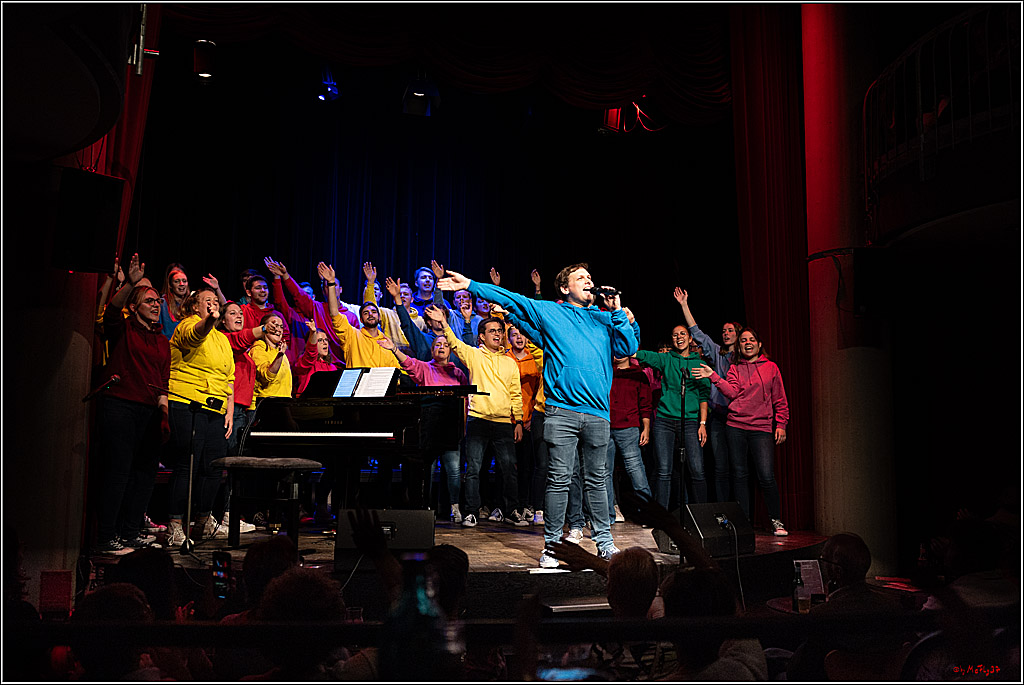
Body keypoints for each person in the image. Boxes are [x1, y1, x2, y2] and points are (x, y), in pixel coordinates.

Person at [438, 262, 638, 567]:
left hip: (598, 413)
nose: (588, 281)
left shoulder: (604, 319)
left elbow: (628, 346)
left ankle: (604, 543)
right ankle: (553, 547)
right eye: (580, 277)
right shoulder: (551, 311)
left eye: (590, 277)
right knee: (558, 479)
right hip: (562, 411)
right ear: (564, 287)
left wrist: (617, 311)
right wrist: (471, 285)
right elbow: (511, 298)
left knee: (598, 480)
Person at [93, 254, 171, 554]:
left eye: (157, 302)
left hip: (150, 412)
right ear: (135, 306)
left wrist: (163, 415)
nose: (156, 305)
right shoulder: (123, 327)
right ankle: (106, 537)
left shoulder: (162, 340)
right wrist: (132, 284)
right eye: (149, 301)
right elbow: (110, 311)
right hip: (121, 406)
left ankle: (129, 533)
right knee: (119, 473)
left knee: (144, 476)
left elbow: (163, 380)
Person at [426, 305, 527, 526]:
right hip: (478, 419)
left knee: (509, 469)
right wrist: (443, 323)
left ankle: (512, 510)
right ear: (482, 336)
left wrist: (518, 420)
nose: (498, 335)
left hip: (502, 422)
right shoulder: (474, 355)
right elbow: (454, 343)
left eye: (500, 331)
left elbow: (515, 394)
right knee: (473, 469)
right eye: (492, 331)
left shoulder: (510, 362)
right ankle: (471, 510)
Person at [693, 327, 790, 535]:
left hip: (761, 427)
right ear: (739, 345)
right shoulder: (735, 368)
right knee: (739, 474)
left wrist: (781, 424)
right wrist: (713, 377)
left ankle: (776, 520)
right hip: (736, 425)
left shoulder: (771, 367)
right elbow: (732, 393)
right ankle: (743, 521)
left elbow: (779, 398)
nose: (747, 343)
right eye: (744, 340)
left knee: (765, 475)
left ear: (759, 344)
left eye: (752, 339)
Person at [166, 286, 234, 546]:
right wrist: (210, 319)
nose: (214, 304)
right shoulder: (188, 325)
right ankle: (174, 523)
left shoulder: (223, 339)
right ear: (195, 306)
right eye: (208, 301)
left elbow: (229, 378)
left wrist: (228, 412)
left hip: (216, 409)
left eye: (216, 300)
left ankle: (203, 521)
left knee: (213, 467)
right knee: (187, 465)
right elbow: (196, 336)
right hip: (187, 403)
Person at [378, 327, 467, 515]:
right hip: (429, 429)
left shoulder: (458, 373)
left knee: (453, 469)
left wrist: (463, 426)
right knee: (426, 469)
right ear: (432, 349)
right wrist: (394, 349)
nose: (441, 347)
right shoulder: (425, 368)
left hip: (451, 428)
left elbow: (465, 401)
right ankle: (423, 507)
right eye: (437, 345)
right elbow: (409, 363)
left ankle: (454, 507)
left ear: (450, 350)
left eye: (445, 345)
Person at [674, 287, 742, 503]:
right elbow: (697, 333)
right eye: (723, 331)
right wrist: (684, 305)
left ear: (739, 335)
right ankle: (721, 511)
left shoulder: (744, 361)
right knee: (720, 466)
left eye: (730, 331)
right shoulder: (717, 354)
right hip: (719, 417)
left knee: (739, 468)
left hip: (741, 418)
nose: (726, 334)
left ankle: (742, 514)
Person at [635, 320, 711, 509]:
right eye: (675, 335)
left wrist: (702, 423)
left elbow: (703, 396)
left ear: (690, 338)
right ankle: (662, 516)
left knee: (697, 470)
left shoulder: (699, 364)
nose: (679, 337)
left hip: (691, 421)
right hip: (664, 420)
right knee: (663, 470)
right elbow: (641, 355)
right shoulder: (666, 358)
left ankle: (702, 514)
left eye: (683, 334)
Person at [265, 256, 359, 368]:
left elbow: (355, 345)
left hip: (344, 366)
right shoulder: (317, 308)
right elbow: (298, 295)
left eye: (334, 285)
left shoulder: (351, 317)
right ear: (323, 291)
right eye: (326, 286)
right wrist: (285, 276)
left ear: (341, 289)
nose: (330, 288)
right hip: (319, 365)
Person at [604, 353, 654, 522]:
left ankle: (647, 513)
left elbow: (645, 404)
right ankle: (609, 515)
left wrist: (646, 428)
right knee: (605, 473)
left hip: (629, 428)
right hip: (605, 426)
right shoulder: (606, 371)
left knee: (636, 470)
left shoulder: (637, 374)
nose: (617, 353)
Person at [249, 313, 293, 399]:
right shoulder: (258, 348)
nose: (279, 330)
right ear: (265, 328)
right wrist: (280, 355)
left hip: (284, 401)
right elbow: (267, 376)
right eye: (275, 326)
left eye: (281, 327)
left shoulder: (279, 350)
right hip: (266, 402)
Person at [294, 320, 340, 397]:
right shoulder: (305, 363)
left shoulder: (332, 367)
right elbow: (310, 352)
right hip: (308, 404)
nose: (325, 343)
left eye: (326, 340)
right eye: (320, 340)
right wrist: (313, 333)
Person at [158, 262, 189, 339]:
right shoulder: (162, 303)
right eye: (177, 281)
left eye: (184, 281)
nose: (181, 284)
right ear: (170, 285)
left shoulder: (192, 304)